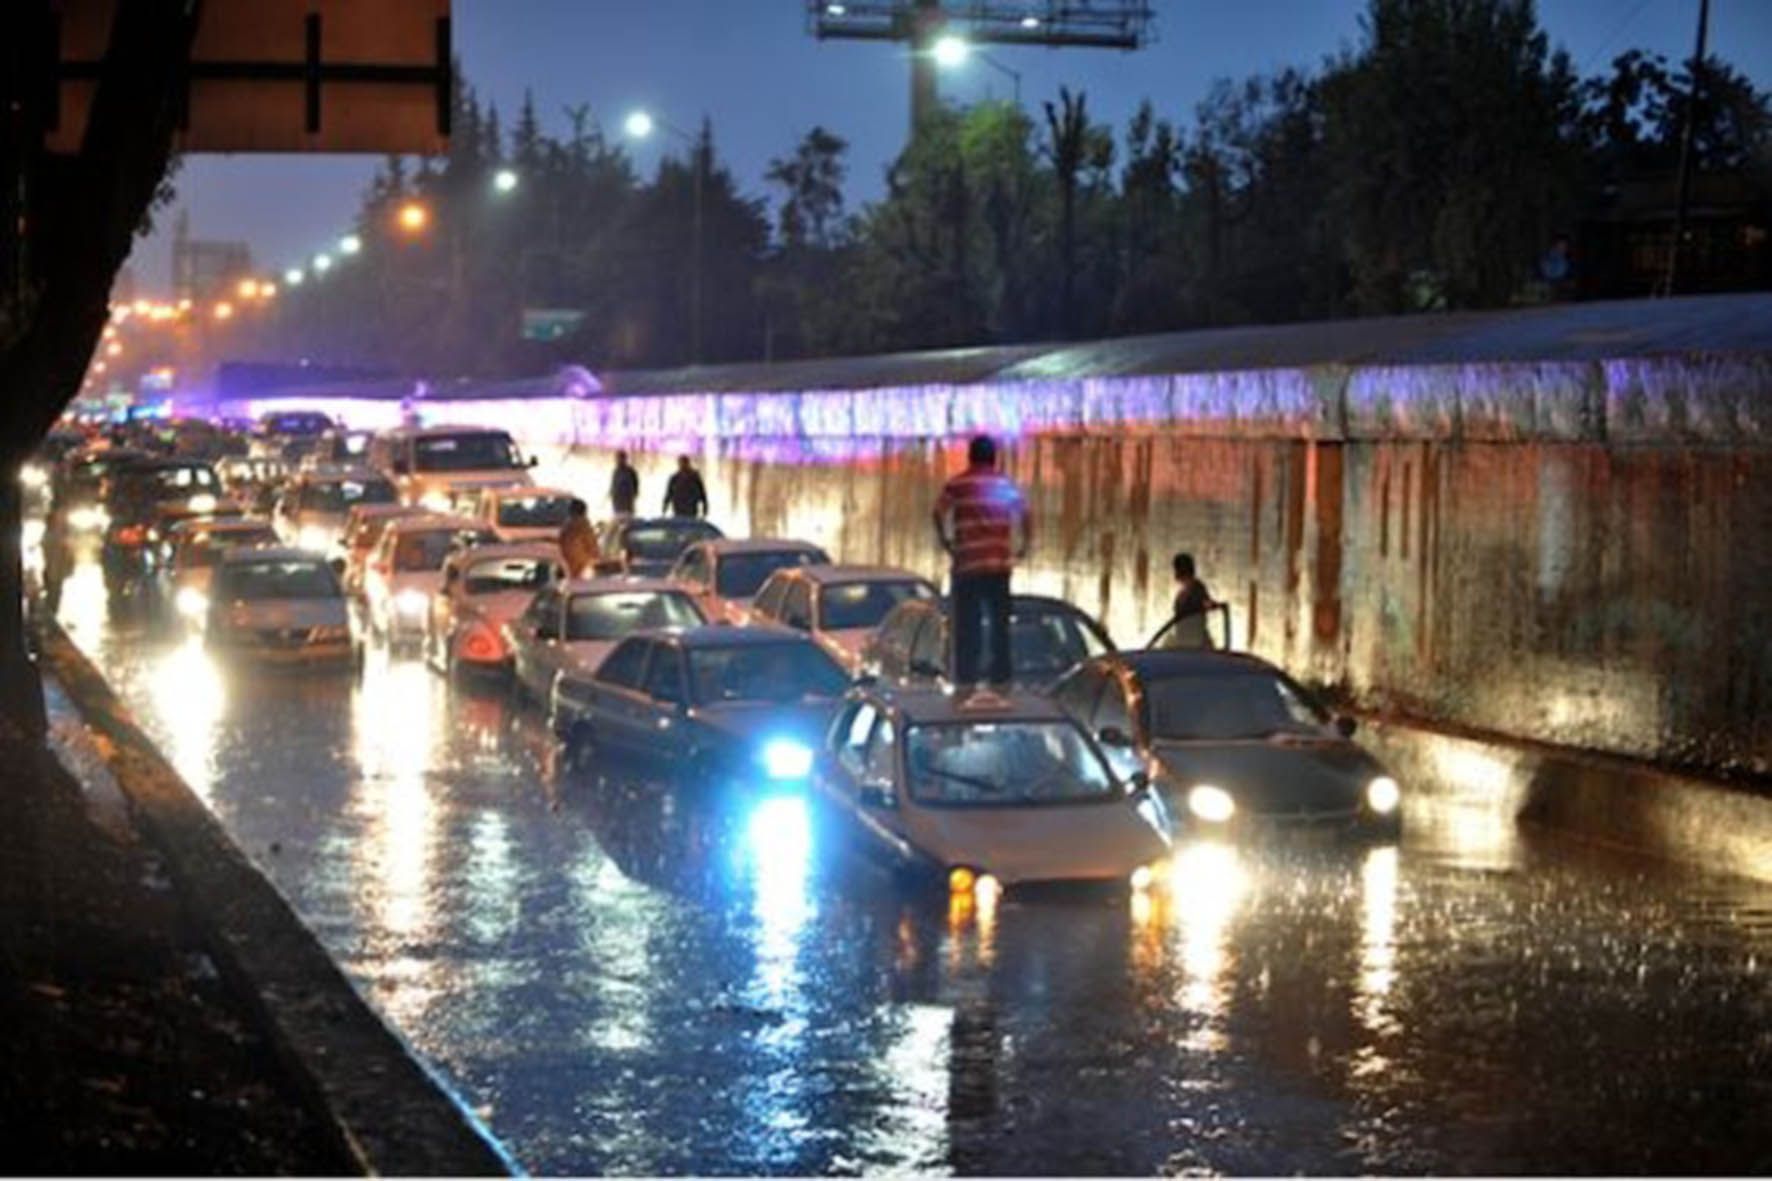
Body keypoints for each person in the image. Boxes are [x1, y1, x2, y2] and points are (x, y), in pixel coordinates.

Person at [932, 434, 1031, 697]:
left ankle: (967, 681)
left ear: (970, 456)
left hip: (968, 567)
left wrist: (947, 543)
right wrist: (1022, 547)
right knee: (1000, 624)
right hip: (998, 566)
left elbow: (938, 512)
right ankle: (1000, 679)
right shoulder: (1004, 484)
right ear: (993, 457)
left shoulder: (958, 485)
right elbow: (1025, 514)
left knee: (968, 626)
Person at [1165, 551, 1218, 650]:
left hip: (1195, 644)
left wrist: (1208, 604)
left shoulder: (1197, 588)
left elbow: (1206, 603)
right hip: (1183, 642)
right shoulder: (1183, 592)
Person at [558, 497, 600, 578]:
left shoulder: (566, 527)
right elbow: (593, 548)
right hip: (582, 569)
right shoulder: (583, 525)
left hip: (570, 569)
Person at [662, 455, 708, 519]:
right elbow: (669, 494)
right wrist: (664, 508)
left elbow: (702, 494)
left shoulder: (695, 477)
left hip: (690, 508)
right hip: (679, 509)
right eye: (681, 463)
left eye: (684, 463)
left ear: (688, 463)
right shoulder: (675, 478)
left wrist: (705, 509)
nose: (682, 465)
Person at [610, 451, 640, 517]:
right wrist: (611, 494)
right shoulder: (616, 471)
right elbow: (613, 486)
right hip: (616, 504)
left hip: (627, 505)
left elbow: (636, 487)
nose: (618, 461)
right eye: (617, 459)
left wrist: (632, 498)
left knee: (627, 522)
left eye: (620, 458)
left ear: (625, 459)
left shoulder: (631, 471)